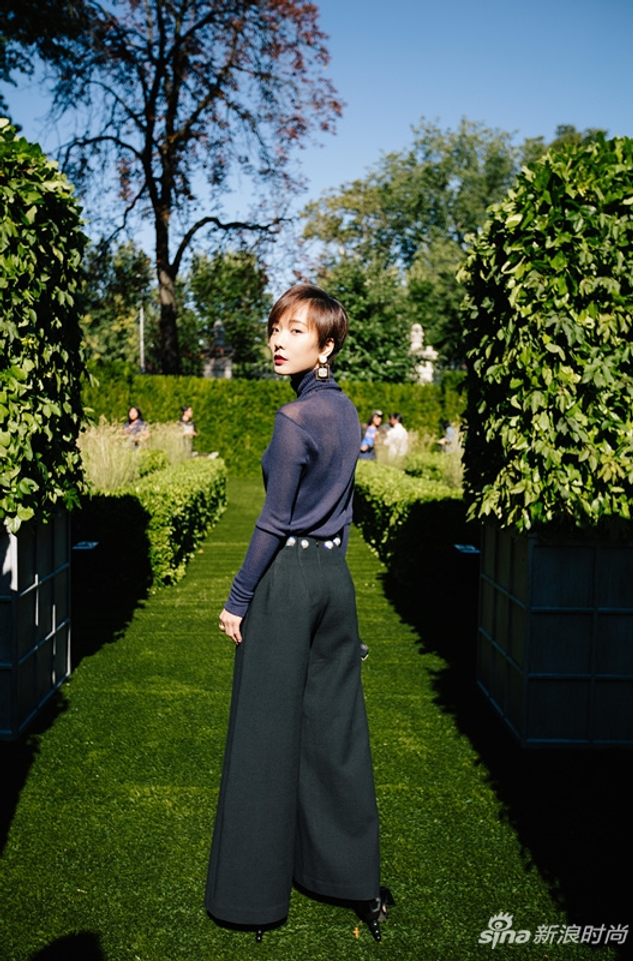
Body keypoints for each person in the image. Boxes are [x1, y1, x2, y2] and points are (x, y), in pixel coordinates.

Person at [206, 284, 392, 942]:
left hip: (286, 583)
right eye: (276, 328)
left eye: (296, 331)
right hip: (335, 582)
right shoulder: (345, 410)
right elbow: (339, 506)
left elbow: (274, 521)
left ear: (327, 345)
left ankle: (251, 900)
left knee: (264, 737)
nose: (279, 341)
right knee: (336, 735)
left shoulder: (294, 419)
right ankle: (358, 884)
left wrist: (237, 599)